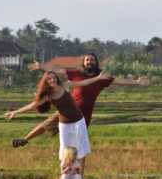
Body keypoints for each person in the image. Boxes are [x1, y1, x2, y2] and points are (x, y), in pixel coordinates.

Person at [12, 53, 149, 147]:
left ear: (96, 63)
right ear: (83, 62)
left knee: (77, 145)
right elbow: (57, 71)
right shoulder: (76, 73)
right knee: (46, 124)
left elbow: (120, 81)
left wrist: (137, 82)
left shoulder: (101, 78)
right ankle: (25, 140)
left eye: (92, 60)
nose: (90, 62)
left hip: (84, 116)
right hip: (68, 110)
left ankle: (75, 172)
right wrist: (42, 67)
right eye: (87, 60)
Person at [4, 70, 110, 179]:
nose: (52, 80)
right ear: (46, 82)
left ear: (56, 78)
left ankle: (78, 178)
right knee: (65, 151)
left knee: (80, 149)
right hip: (65, 125)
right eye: (49, 79)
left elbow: (83, 83)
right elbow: (33, 105)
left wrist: (98, 78)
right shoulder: (48, 96)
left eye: (53, 78)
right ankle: (65, 178)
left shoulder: (65, 85)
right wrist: (15, 112)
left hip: (79, 122)